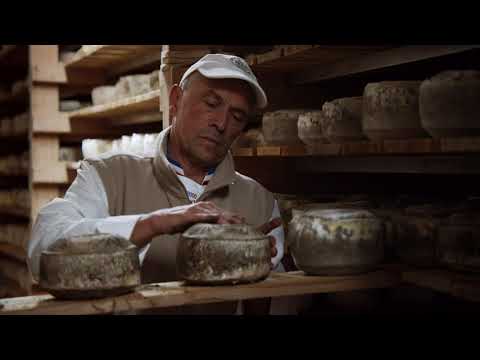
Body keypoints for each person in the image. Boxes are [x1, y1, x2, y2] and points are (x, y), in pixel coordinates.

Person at [27, 53, 286, 314]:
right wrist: (152, 223)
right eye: (211, 103)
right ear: (175, 100)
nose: (221, 123)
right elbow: (44, 249)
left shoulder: (259, 201)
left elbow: (278, 306)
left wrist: (257, 276)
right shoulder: (108, 174)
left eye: (237, 116)